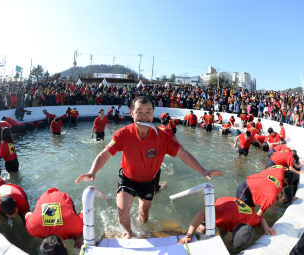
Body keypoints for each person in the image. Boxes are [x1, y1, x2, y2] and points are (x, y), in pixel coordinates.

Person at [75, 96, 223, 238]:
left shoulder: (163, 137)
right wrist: (92, 171)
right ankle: (129, 232)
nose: (144, 116)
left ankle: (140, 227)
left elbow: (183, 154)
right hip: (127, 179)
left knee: (144, 214)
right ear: (132, 113)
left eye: (148, 112)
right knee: (122, 213)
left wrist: (203, 170)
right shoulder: (122, 134)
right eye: (139, 112)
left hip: (149, 181)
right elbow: (105, 154)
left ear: (153, 114)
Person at [177, 196, 276, 249]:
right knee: (203, 229)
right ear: (233, 232)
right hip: (224, 204)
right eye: (231, 242)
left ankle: (220, 237)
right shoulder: (223, 216)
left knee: (223, 230)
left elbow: (260, 218)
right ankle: (197, 230)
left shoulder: (252, 220)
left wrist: (267, 228)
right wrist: (189, 235)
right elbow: (201, 213)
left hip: (236, 211)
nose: (230, 242)